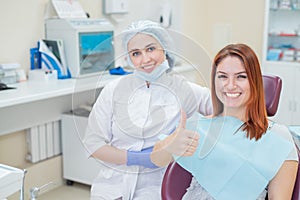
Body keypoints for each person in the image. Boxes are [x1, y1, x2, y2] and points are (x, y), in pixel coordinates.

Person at [83, 20, 212, 200]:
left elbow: (229, 107)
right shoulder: (113, 91)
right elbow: (93, 144)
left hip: (157, 187)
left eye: (151, 49)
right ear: (129, 58)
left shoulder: (186, 90)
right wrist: (140, 158)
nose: (145, 59)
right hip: (111, 186)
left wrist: (205, 128)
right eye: (136, 53)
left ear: (165, 49)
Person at [151, 43, 299, 199]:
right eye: (222, 76)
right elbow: (156, 159)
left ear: (254, 81)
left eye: (241, 77)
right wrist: (170, 145)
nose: (230, 85)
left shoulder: (278, 138)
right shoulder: (202, 128)